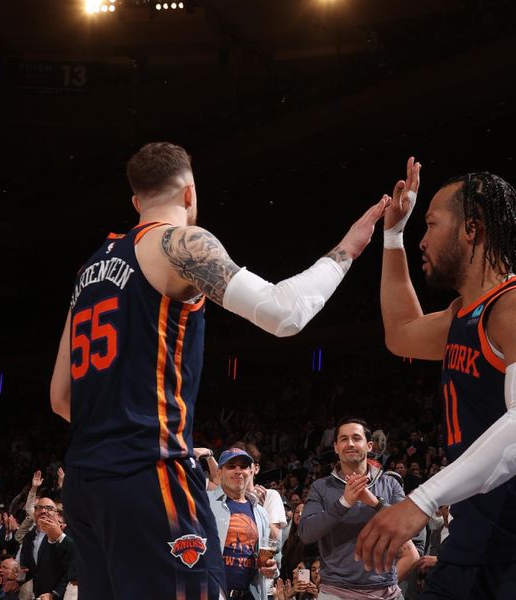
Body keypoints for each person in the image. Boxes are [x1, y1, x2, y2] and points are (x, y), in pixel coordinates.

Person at [49, 142, 388, 599]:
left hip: (85, 481)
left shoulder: (90, 268)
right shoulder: (180, 243)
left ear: (135, 201)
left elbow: (60, 397)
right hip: (149, 474)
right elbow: (284, 314)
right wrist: (348, 249)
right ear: (190, 193)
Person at [355, 159, 516, 599]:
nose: (423, 239)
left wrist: (420, 501)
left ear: (471, 228)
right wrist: (393, 236)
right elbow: (399, 333)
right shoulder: (462, 317)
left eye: (431, 225)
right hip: (470, 548)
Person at [298, 417, 418, 599]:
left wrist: (375, 503)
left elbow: (409, 529)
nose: (350, 443)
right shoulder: (320, 487)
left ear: (370, 445)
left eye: (356, 438)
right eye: (344, 439)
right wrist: (344, 503)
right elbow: (306, 534)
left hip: (386, 592)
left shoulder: (390, 484)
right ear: (336, 447)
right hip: (335, 592)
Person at [207, 448, 276, 600]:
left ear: (251, 472)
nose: (238, 471)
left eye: (243, 466)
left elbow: (264, 557)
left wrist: (272, 568)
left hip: (248, 595)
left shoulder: (261, 512)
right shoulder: (205, 502)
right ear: (219, 473)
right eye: (231, 466)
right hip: (211, 593)